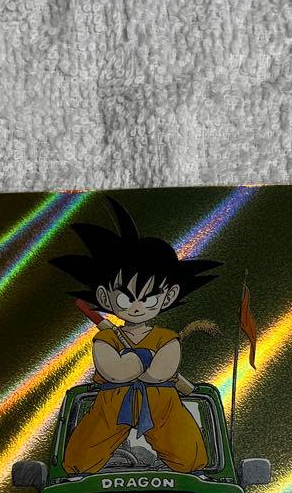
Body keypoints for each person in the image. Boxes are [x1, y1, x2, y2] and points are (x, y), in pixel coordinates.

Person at [50, 198, 221, 474]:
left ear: (169, 296)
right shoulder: (106, 339)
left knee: (190, 461)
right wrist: (143, 359)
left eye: (149, 297)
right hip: (111, 405)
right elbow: (116, 371)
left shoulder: (166, 338)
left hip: (162, 405)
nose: (138, 306)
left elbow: (161, 372)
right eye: (126, 298)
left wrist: (141, 365)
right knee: (78, 464)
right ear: (104, 296)